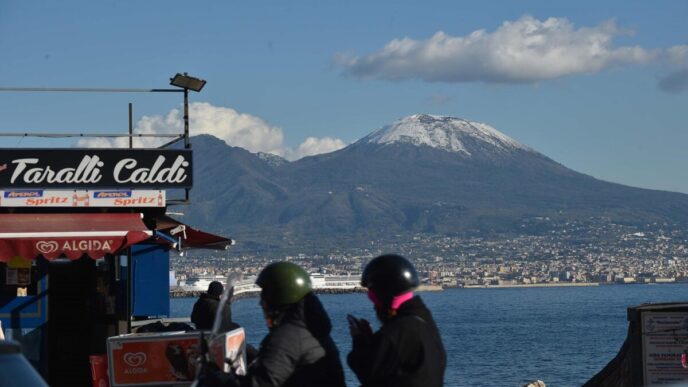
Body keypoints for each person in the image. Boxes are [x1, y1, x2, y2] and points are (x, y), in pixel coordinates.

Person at [201, 261, 346, 387]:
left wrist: (217, 377)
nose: (260, 302)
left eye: (264, 295)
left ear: (276, 297)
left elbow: (259, 384)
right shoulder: (311, 330)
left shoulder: (289, 336)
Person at [347, 254, 446, 387]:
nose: (374, 306)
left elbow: (368, 372)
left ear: (383, 294)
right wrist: (373, 341)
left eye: (373, 298)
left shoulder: (401, 330)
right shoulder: (423, 319)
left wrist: (359, 340)